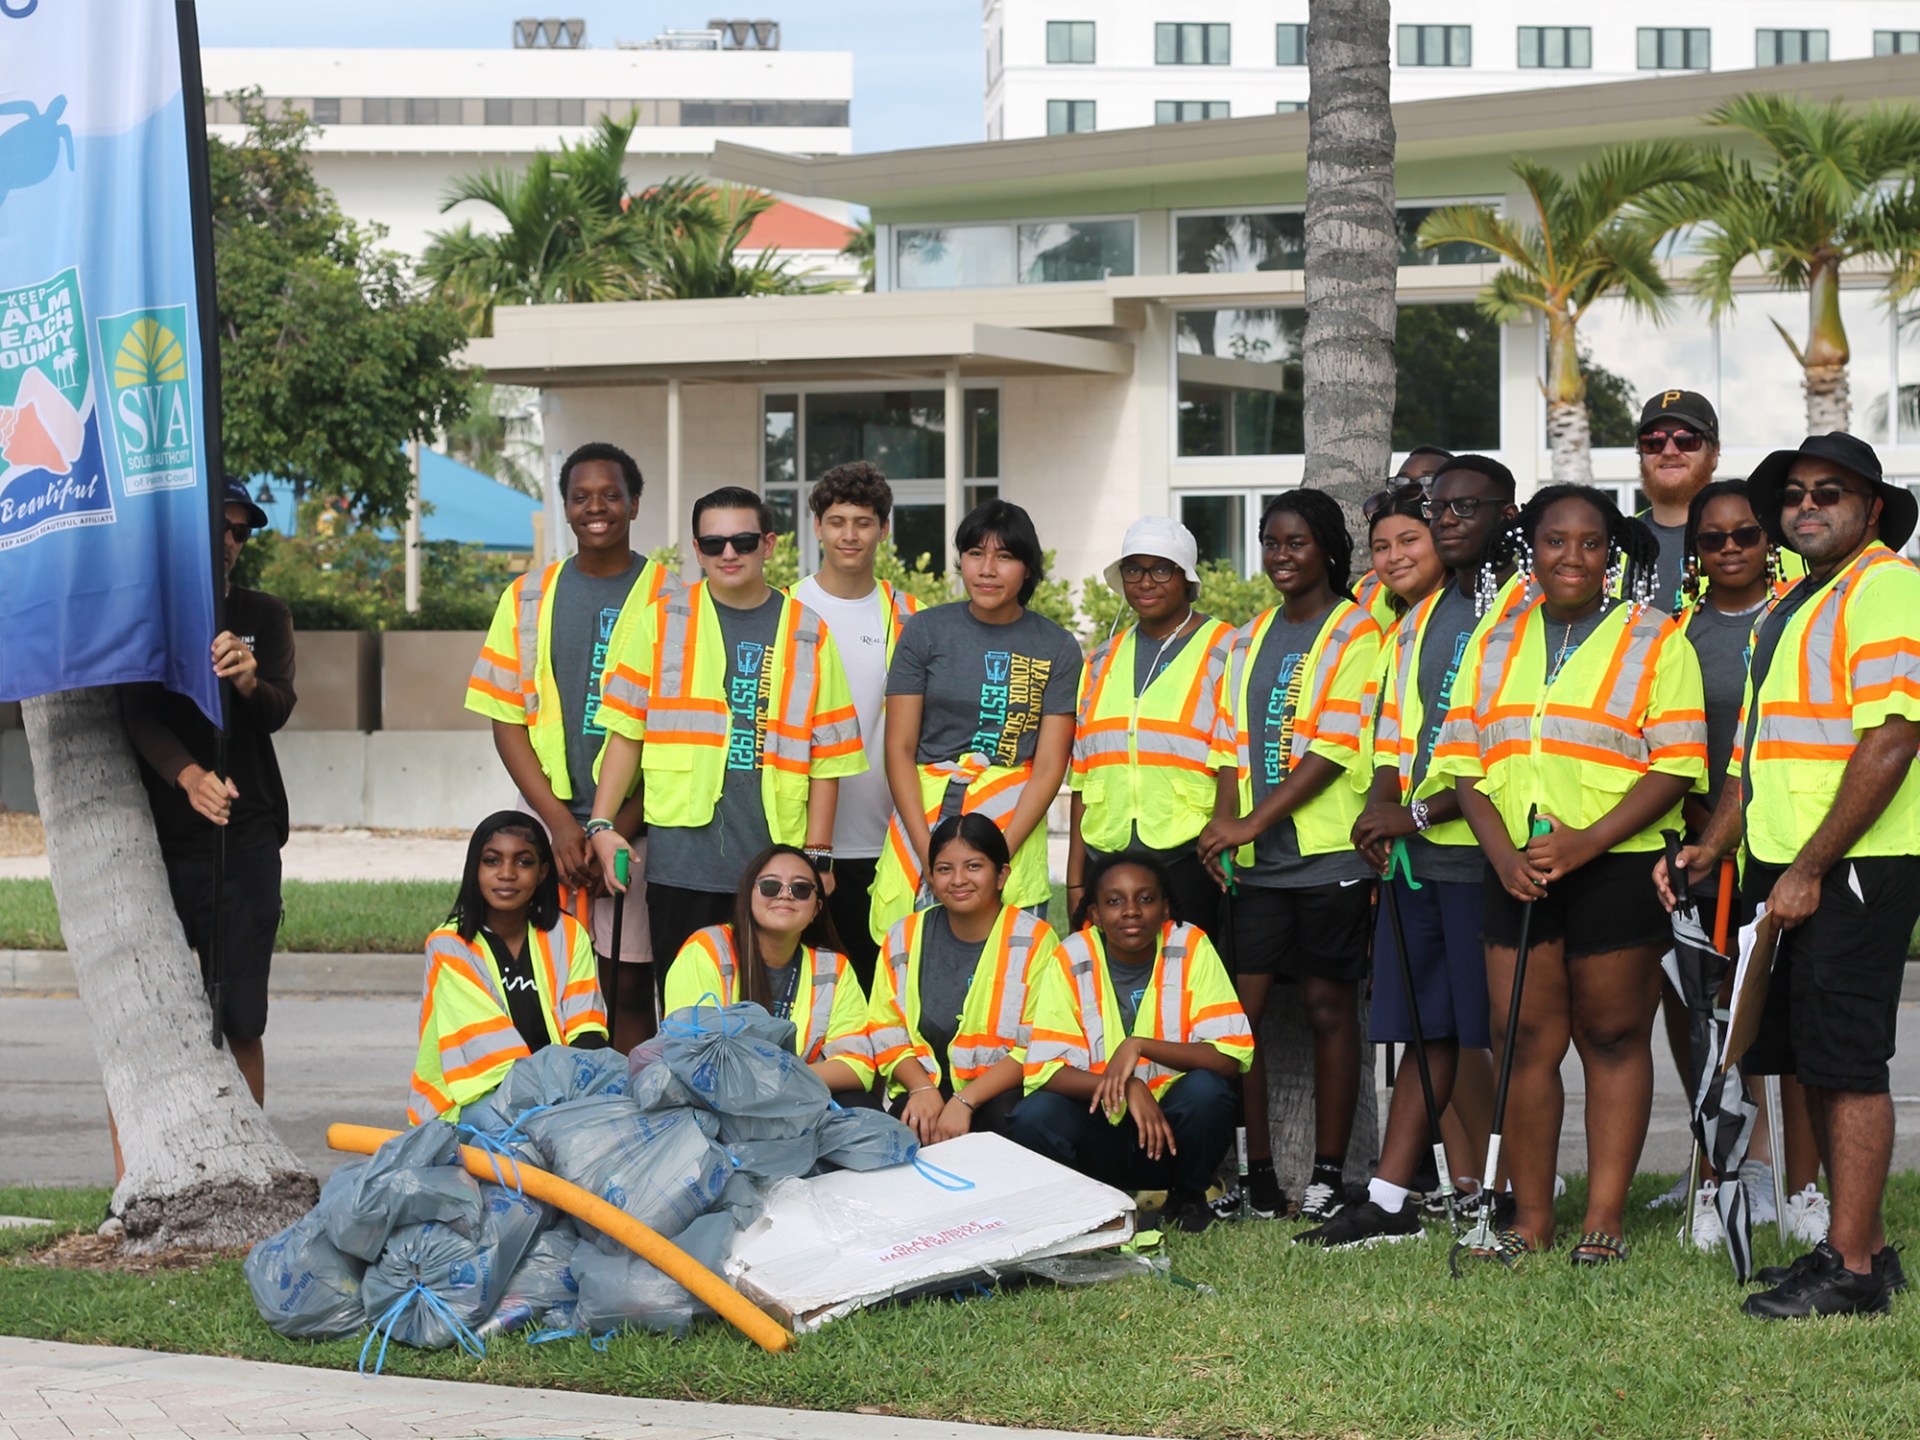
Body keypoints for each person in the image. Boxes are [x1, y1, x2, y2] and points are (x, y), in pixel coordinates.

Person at [1660, 432, 1920, 1318]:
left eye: (1832, 492)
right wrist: (1712, 847)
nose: (1809, 506)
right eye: (1797, 494)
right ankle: (1868, 1251)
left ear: (1872, 508)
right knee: (1815, 1055)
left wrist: (1810, 866)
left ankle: (1847, 1271)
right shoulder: (1796, 605)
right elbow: (1753, 762)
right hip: (1787, 864)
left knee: (1848, 1066)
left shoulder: (1886, 589)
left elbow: (1891, 740)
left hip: (1852, 866)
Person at [1434, 485, 1707, 1264]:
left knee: (1613, 1034)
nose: (1573, 558)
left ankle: (1605, 1220)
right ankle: (1529, 1220)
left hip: (1615, 862)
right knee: (1522, 1038)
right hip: (1515, 865)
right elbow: (1463, 765)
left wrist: (1586, 843)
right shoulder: (1494, 640)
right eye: (1556, 541)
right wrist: (1500, 856)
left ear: (1611, 553)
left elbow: (1678, 766)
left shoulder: (1657, 639)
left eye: (1591, 543)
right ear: (1533, 548)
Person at [1301, 466, 1517, 1247]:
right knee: (1425, 1031)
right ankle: (1391, 1199)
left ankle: (1510, 1186)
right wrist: (1383, 809)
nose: (1394, 556)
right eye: (1382, 544)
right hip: (1413, 859)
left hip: (1472, 853)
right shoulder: (1412, 622)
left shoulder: (1508, 610)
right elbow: (1394, 738)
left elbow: (1493, 751)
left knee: (1476, 1034)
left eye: (1412, 537)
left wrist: (1416, 812)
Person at [1198, 489, 1383, 1223]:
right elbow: (1223, 745)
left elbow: (1334, 749)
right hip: (1256, 868)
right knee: (1239, 1020)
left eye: (1295, 543)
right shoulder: (1247, 638)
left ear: (1328, 549)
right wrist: (1223, 828)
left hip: (1332, 857)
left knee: (1327, 1007)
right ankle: (1262, 1176)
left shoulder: (1356, 633)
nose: (1280, 556)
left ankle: (1329, 1177)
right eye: (1271, 542)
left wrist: (1249, 825)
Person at [588, 486, 865, 974]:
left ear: (770, 544)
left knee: (770, 1019)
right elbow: (626, 733)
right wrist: (602, 825)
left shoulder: (808, 630)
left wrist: (819, 858)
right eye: (713, 544)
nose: (728, 553)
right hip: (683, 866)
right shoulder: (662, 621)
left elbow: (830, 756)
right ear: (697, 550)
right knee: (684, 1022)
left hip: (776, 868)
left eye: (743, 540)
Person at [466, 442, 677, 1051]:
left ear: (635, 503)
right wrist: (561, 826)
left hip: (642, 827)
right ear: (564, 507)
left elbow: (682, 733)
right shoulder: (527, 595)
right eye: (581, 497)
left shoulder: (677, 599)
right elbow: (506, 719)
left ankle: (628, 1121)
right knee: (547, 985)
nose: (596, 508)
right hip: (546, 827)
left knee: (627, 983)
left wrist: (614, 827)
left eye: (611, 495)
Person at [1658, 480, 1808, 1246]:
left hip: (1784, 844)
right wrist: (1699, 837)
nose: (1728, 550)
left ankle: (1803, 1190)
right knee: (1711, 1023)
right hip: (1699, 847)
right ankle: (1728, 1175)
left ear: (1768, 540)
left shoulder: (1797, 617)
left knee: (1789, 1023)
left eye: (1744, 535)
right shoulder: (1676, 631)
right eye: (1711, 540)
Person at [120, 480, 295, 1126]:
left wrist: (251, 679)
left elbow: (279, 708)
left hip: (246, 837)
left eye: (239, 530)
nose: (228, 541)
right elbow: (135, 712)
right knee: (154, 1013)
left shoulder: (264, 614)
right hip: (162, 836)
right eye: (217, 527)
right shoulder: (150, 609)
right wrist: (188, 776)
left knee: (241, 1013)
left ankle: (246, 1153)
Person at [873, 499, 1081, 942]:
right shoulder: (926, 631)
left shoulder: (1057, 646)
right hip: (926, 829)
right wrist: (929, 852)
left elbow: (1049, 767)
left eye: (1004, 556)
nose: (987, 569)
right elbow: (899, 749)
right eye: (975, 554)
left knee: (1010, 978)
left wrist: (997, 857)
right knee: (913, 971)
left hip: (1010, 834)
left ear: (1027, 568)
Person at [1012, 853, 1252, 1232]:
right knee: (1034, 1115)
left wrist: (1140, 1045)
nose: (1130, 911)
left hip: (1171, 1134)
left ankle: (1187, 1198)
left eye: (1145, 898)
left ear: (1165, 907)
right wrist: (1129, 1085)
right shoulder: (1073, 955)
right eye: (1114, 901)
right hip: (1101, 1133)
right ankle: (1081, 1207)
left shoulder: (1191, 945)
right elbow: (1045, 1071)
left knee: (1208, 1091)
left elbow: (1229, 1057)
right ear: (1093, 911)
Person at [1066, 516, 1233, 932]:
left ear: (1186, 578)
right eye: (1133, 569)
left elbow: (1238, 756)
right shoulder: (1101, 660)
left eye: (1161, 569)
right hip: (1106, 855)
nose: (1145, 582)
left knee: (1188, 983)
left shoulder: (1228, 649)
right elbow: (1083, 779)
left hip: (1194, 855)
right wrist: (1074, 880)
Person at [790, 461, 921, 989]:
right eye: (837, 520)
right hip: (796, 838)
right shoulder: (786, 609)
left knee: (881, 989)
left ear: (884, 530)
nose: (850, 535)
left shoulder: (912, 616)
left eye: (864, 522)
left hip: (885, 842)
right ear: (817, 525)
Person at [868, 814, 1058, 1145]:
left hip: (1001, 1092)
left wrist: (964, 1100)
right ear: (930, 876)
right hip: (924, 1086)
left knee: (1015, 1122)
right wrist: (922, 1088)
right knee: (899, 1137)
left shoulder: (1036, 939)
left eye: (973, 866)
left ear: (1001, 875)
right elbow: (885, 1028)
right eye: (944, 869)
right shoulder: (904, 935)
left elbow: (1037, 1043)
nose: (958, 879)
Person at [407, 812, 607, 1125]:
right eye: (492, 861)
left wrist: (583, 1091)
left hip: (557, 1096)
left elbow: (587, 1027)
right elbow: (490, 1056)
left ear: (543, 872)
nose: (507, 874)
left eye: (523, 862)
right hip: (470, 1102)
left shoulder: (567, 933)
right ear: (475, 869)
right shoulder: (449, 944)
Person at [663, 844, 875, 1101]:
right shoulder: (707, 949)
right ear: (747, 896)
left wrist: (781, 1084)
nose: (785, 895)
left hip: (798, 1099)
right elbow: (690, 1054)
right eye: (770, 886)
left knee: (860, 1103)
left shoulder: (833, 967)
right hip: (718, 1098)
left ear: (816, 910)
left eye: (801, 889)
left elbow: (857, 1066)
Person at [1634, 389, 1722, 612]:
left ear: (1714, 453)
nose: (1669, 451)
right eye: (1653, 441)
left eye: (1686, 439)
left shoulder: (1759, 538)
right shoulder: (1614, 543)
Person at [1354, 449, 1454, 626]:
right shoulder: (1366, 589)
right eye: (1401, 484)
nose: (1395, 556)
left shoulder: (1474, 602)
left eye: (1428, 483)